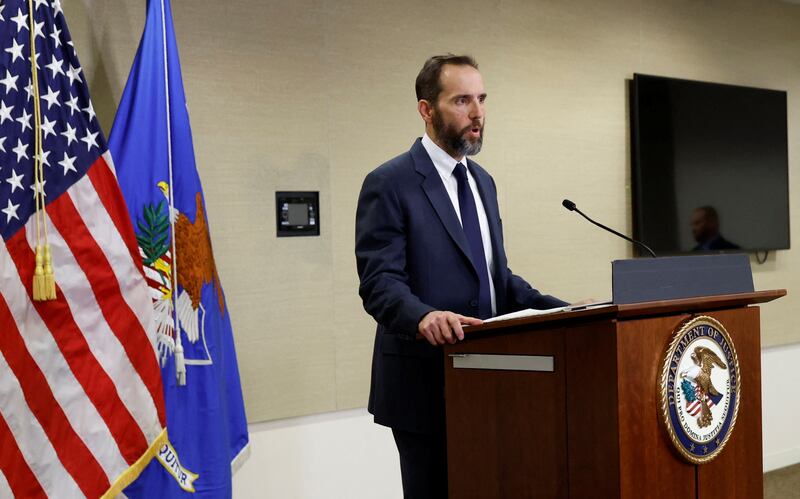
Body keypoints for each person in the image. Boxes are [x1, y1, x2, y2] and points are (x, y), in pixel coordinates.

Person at [355, 54, 568, 498]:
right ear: (426, 109)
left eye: (482, 99)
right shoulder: (390, 182)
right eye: (462, 100)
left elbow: (497, 280)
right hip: (424, 386)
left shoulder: (483, 182)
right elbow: (380, 283)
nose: (477, 113)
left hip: (491, 380)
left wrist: (571, 312)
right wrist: (423, 317)